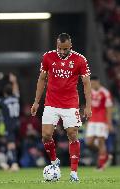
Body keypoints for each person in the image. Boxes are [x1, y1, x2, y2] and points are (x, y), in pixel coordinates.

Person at [31, 33, 92, 182]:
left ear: (70, 46)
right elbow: (42, 79)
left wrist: (88, 105)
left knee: (72, 134)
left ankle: (74, 173)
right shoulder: (48, 57)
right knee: (45, 135)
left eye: (65, 49)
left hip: (70, 104)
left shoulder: (80, 59)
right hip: (51, 103)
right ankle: (54, 161)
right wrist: (36, 101)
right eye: (60, 48)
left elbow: (86, 83)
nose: (62, 52)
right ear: (56, 45)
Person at [86, 76, 113, 170]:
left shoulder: (105, 92)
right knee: (89, 143)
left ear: (98, 82)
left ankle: (100, 165)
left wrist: (109, 123)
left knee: (101, 142)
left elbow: (109, 108)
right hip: (92, 121)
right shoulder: (89, 91)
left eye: (94, 83)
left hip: (102, 121)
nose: (92, 85)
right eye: (91, 83)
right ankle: (105, 155)